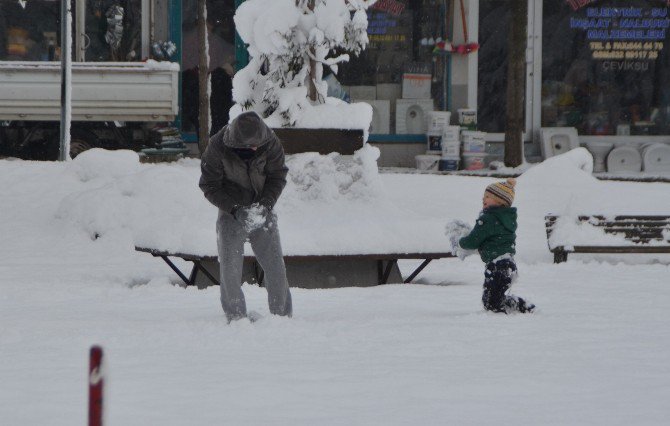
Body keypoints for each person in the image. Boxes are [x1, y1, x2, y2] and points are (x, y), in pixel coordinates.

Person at [199, 111, 292, 323]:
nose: (253, 149)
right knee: (230, 269)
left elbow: (278, 176)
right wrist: (234, 209)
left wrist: (266, 204)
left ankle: (282, 317)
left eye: (256, 146)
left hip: (263, 209)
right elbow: (209, 185)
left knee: (275, 265)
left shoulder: (270, 142)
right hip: (231, 211)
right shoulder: (217, 146)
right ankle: (236, 316)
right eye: (248, 147)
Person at [446, 178, 534, 314]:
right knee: (493, 300)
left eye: (488, 196)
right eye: (483, 196)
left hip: (497, 266)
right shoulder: (506, 219)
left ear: (500, 201)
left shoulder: (488, 219)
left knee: (491, 303)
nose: (483, 199)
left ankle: (521, 307)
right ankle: (520, 306)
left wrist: (460, 241)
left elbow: (473, 241)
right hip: (507, 264)